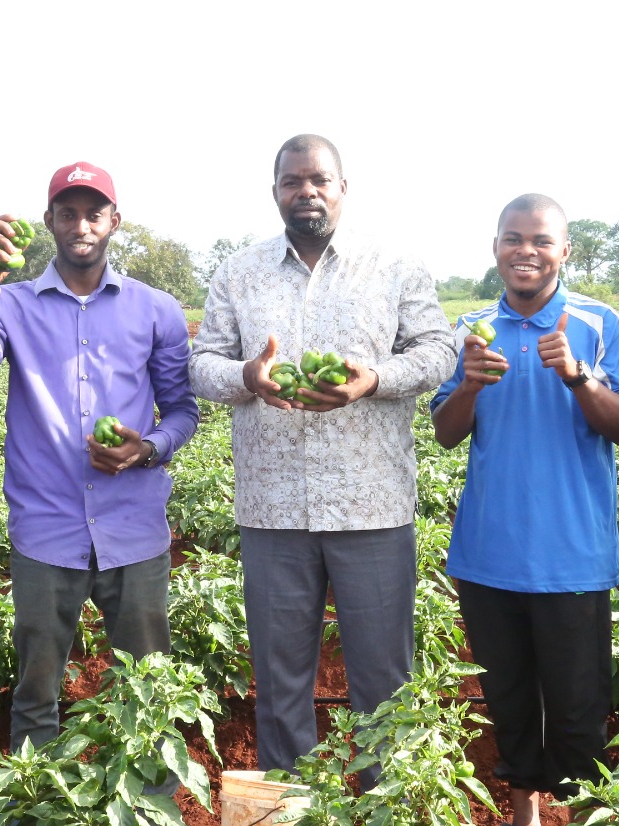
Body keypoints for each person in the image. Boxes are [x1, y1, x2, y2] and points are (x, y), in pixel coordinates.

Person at [189, 134, 457, 775]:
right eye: (292, 181)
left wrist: (373, 380)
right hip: (272, 506)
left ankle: (387, 809)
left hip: (372, 505)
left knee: (384, 679)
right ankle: (291, 810)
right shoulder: (239, 272)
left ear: (342, 188)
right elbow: (201, 365)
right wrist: (248, 377)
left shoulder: (394, 266)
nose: (305, 191)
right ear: (275, 191)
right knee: (280, 678)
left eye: (318, 180)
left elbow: (439, 351)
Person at [0, 162, 199, 769]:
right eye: (68, 213)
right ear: (50, 220)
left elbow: (182, 411)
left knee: (148, 693)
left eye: (93, 213)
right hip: (45, 528)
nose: (81, 225)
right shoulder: (12, 306)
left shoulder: (156, 309)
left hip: (133, 527)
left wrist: (146, 448)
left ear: (114, 221)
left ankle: (151, 809)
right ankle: (36, 810)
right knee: (37, 691)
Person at [430, 194, 619, 826]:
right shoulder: (470, 328)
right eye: (514, 238)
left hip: (573, 552)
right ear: (496, 246)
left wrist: (578, 378)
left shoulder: (597, 323)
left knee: (579, 703)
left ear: (564, 251)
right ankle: (525, 825)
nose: (527, 251)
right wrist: (469, 384)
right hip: (489, 550)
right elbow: (445, 432)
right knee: (510, 697)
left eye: (542, 240)